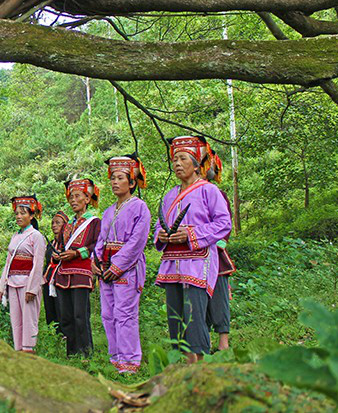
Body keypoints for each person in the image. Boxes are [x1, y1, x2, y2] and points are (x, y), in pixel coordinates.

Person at [154, 136, 232, 363]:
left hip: (198, 262)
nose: (177, 163)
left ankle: (200, 364)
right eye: (174, 159)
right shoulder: (169, 195)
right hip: (172, 263)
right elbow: (160, 224)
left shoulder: (209, 191)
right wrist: (160, 234)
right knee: (176, 315)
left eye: (183, 158)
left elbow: (223, 223)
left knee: (194, 314)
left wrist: (191, 234)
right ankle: (187, 363)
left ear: (197, 164)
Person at [91, 155, 150, 373]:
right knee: (108, 314)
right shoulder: (108, 211)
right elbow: (101, 240)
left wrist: (117, 266)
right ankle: (115, 357)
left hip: (127, 268)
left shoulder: (140, 207)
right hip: (105, 268)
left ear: (132, 182)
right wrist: (95, 262)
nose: (115, 182)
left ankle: (130, 361)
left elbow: (137, 242)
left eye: (120, 178)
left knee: (125, 314)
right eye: (112, 178)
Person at [49, 178, 101, 357]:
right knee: (66, 316)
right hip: (64, 273)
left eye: (77, 196)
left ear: (87, 199)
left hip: (82, 273)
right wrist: (59, 255)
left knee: (80, 316)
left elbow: (96, 245)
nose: (73, 200)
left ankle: (86, 353)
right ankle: (71, 354)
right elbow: (62, 246)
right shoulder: (67, 225)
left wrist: (77, 253)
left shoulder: (94, 222)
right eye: (71, 197)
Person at [0, 195, 47, 352]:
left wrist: (32, 288)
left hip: (27, 283)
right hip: (12, 282)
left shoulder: (36, 236)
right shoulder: (15, 236)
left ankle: (28, 350)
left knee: (29, 318)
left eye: (23, 213)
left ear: (31, 216)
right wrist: (2, 286)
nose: (19, 216)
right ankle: (18, 350)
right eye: (17, 213)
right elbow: (8, 262)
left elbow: (38, 264)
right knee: (16, 319)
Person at [205, 150, 236, 351]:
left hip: (215, 253)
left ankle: (223, 341)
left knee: (219, 298)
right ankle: (204, 339)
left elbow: (225, 224)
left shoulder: (219, 194)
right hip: (193, 254)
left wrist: (217, 243)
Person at [43, 211, 69, 333]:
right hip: (48, 280)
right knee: (50, 308)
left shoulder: (69, 244)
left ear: (65, 225)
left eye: (58, 223)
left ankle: (64, 334)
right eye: (53, 223)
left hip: (62, 281)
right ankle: (53, 333)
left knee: (62, 308)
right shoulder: (50, 245)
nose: (54, 225)